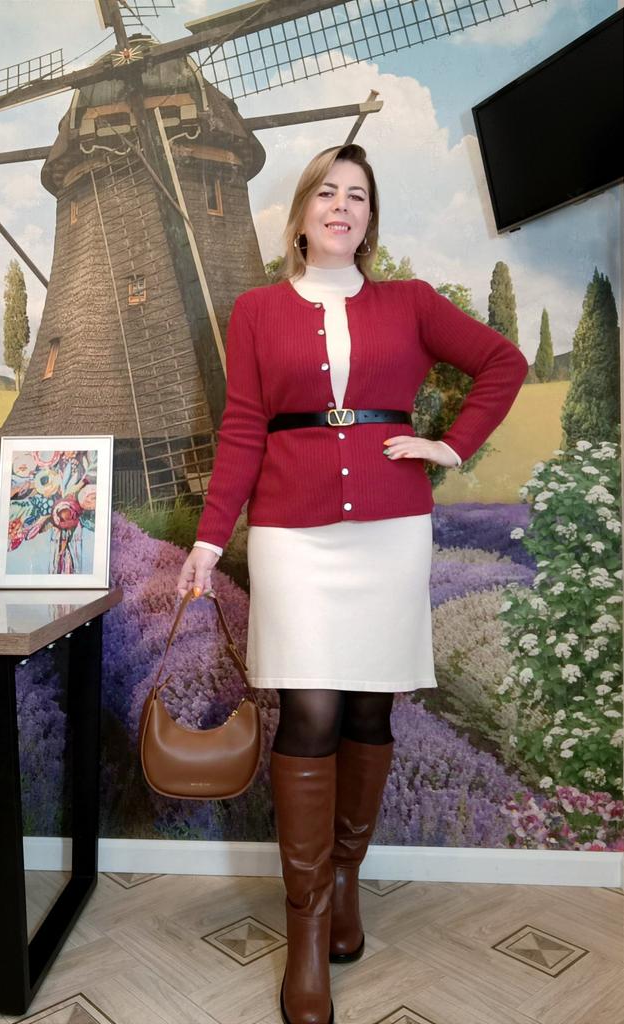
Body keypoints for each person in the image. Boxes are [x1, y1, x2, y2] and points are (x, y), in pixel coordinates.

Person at [176, 143, 529, 1024]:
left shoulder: (410, 303)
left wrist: (448, 446)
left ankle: (344, 884)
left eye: (358, 196)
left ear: (369, 218)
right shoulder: (256, 311)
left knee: (370, 711)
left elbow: (504, 364)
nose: (341, 206)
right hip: (292, 535)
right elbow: (242, 427)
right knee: (310, 713)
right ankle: (305, 930)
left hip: (389, 530)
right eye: (327, 192)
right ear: (300, 213)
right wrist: (210, 540)